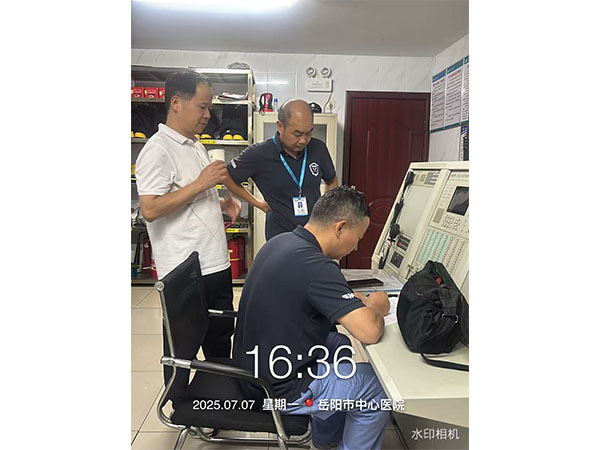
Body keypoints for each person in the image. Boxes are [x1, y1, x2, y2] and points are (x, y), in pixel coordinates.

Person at [233, 186, 390, 450]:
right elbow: (370, 331)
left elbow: (305, 293)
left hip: (252, 367)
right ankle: (330, 430)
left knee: (339, 344)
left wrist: (349, 300)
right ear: (340, 228)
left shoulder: (281, 242)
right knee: (378, 389)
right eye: (358, 237)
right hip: (276, 388)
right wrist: (377, 307)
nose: (356, 247)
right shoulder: (318, 266)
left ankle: (326, 440)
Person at [135, 71, 264, 378]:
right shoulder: (157, 150)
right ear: (176, 103)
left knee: (220, 342)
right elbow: (150, 208)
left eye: (209, 108)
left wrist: (220, 204)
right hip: (184, 271)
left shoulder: (194, 145)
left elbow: (189, 197)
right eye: (202, 107)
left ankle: (216, 397)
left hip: (215, 263)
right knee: (182, 350)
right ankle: (179, 401)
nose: (208, 115)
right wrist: (201, 184)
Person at [225, 99, 338, 241]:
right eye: (297, 134)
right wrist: (258, 203)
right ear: (280, 126)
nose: (303, 140)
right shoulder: (259, 153)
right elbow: (227, 176)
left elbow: (331, 180)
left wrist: (326, 212)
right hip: (280, 235)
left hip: (315, 232)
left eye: (308, 133)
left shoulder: (318, 148)